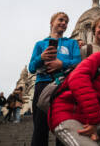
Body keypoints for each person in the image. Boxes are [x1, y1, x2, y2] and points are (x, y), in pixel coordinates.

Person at [29, 12, 81, 146]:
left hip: (64, 85)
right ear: (52, 22)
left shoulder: (72, 43)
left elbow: (77, 61)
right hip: (43, 85)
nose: (64, 23)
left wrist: (60, 63)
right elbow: (31, 68)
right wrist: (41, 57)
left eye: (66, 22)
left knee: (64, 126)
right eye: (61, 20)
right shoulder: (40, 44)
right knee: (40, 128)